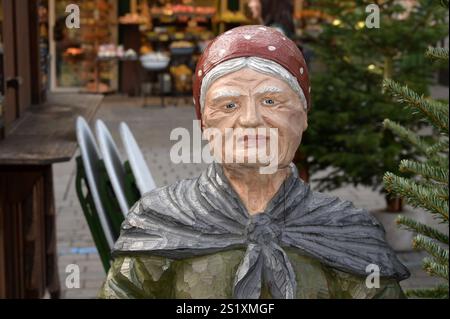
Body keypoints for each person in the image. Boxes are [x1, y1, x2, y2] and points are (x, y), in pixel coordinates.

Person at [99, 26, 409, 299]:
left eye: (271, 101)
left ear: (302, 117)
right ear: (205, 124)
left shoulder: (346, 231)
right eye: (229, 104)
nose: (250, 120)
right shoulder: (161, 222)